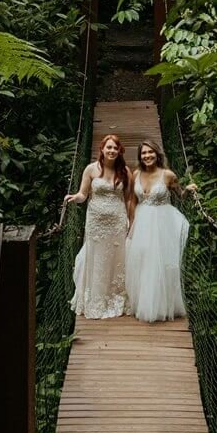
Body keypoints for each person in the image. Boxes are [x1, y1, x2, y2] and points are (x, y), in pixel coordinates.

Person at [65, 132, 132, 319]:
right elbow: (83, 194)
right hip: (95, 222)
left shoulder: (125, 171)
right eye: (108, 147)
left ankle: (115, 298)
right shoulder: (90, 169)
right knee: (97, 257)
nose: (112, 150)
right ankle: (96, 300)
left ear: (119, 151)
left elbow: (128, 200)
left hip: (117, 221)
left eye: (115, 148)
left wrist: (130, 220)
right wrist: (74, 198)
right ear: (102, 149)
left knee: (116, 258)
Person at [124, 138, 188, 322]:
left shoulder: (168, 175)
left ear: (157, 153)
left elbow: (180, 195)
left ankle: (160, 306)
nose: (147, 156)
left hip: (162, 223)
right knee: (142, 262)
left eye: (150, 152)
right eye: (143, 153)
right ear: (140, 156)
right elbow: (132, 201)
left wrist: (189, 190)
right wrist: (130, 225)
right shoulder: (135, 174)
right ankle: (144, 304)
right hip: (141, 222)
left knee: (160, 263)